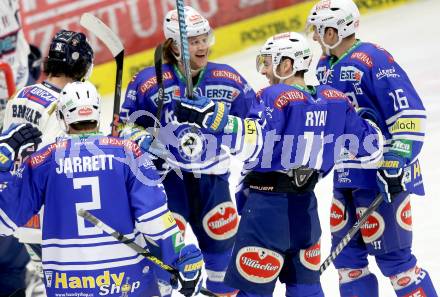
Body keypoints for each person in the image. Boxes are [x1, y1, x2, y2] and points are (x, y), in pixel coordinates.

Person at [173, 31, 384, 297]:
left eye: (269, 63)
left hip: (266, 215)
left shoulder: (274, 96)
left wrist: (212, 118)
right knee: (307, 291)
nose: (264, 71)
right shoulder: (336, 100)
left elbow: (252, 141)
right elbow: (372, 148)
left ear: (286, 65)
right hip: (306, 212)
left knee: (253, 292)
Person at [0, 80, 204, 297]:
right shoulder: (128, 152)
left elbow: (4, 221)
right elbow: (155, 220)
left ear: (61, 117)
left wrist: (3, 167)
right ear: (98, 114)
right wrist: (177, 262)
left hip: (67, 285)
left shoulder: (43, 160)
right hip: (128, 283)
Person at [117, 6, 255, 296]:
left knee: (223, 261)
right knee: (166, 264)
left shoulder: (227, 79)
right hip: (168, 183)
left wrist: (225, 125)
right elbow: (122, 129)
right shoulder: (148, 82)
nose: (202, 45)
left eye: (205, 38)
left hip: (213, 184)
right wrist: (144, 142)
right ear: (174, 46)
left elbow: (255, 127)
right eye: (194, 41)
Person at [306, 1, 438, 296]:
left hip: (382, 177)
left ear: (333, 30)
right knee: (348, 263)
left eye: (318, 30)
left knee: (398, 266)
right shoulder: (323, 67)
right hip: (346, 177)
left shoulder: (373, 59)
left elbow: (409, 114)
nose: (314, 37)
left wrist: (396, 159)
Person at [1, 29, 95, 296]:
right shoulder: (64, 106)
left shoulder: (20, 94)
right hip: (50, 216)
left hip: (19, 211)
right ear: (82, 66)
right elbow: (63, 164)